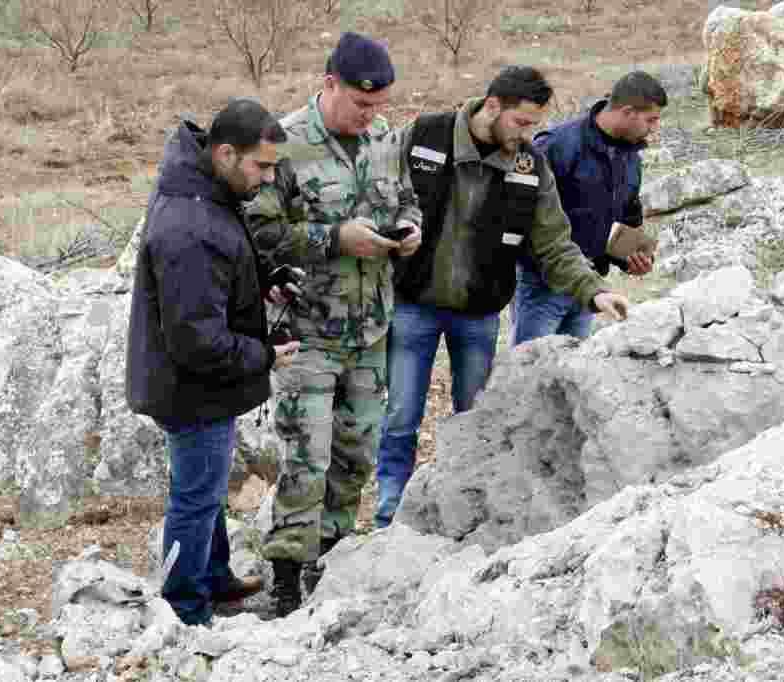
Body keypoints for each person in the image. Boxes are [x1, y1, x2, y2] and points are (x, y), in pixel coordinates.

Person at [374, 66, 631, 529]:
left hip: (478, 316)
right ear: (492, 107)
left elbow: (555, 244)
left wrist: (595, 292)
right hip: (413, 304)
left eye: (533, 124)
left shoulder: (531, 168)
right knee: (400, 416)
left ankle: (462, 515)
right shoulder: (424, 135)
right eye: (522, 122)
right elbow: (376, 193)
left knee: (475, 422)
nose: (528, 133)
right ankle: (389, 515)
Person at [244, 32, 422, 617]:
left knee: (356, 451)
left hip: (370, 330)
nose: (370, 116)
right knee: (306, 455)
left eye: (378, 106)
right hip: (308, 331)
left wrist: (408, 227)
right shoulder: (285, 144)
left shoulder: (382, 140)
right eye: (360, 104)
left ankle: (334, 553)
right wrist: (332, 239)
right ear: (329, 85)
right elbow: (261, 231)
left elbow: (405, 200)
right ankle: (288, 576)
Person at [125, 99, 301, 627]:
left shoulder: (208, 190)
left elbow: (221, 275)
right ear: (225, 153)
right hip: (189, 387)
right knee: (195, 497)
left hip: (201, 382)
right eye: (262, 167)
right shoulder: (190, 225)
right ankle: (184, 609)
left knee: (208, 483)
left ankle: (215, 578)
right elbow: (198, 340)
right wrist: (264, 354)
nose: (268, 179)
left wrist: (264, 280)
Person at [510, 71, 667, 347]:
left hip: (590, 290)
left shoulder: (631, 159)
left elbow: (626, 219)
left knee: (570, 378)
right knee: (529, 375)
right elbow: (520, 213)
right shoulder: (557, 146)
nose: (655, 127)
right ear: (628, 112)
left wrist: (632, 260)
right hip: (543, 287)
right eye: (651, 119)